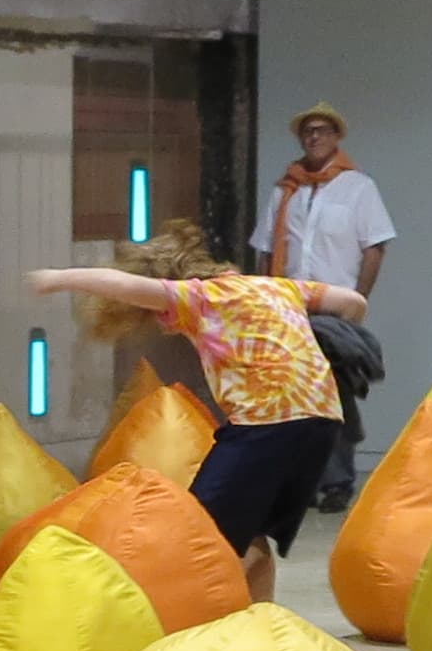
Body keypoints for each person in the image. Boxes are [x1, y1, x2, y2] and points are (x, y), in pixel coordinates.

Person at [33, 222, 360, 604]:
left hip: (266, 422)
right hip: (322, 419)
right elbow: (353, 301)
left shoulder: (201, 296)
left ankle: (201, 619)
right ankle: (259, 619)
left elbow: (123, 285)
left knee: (202, 530)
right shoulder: (278, 287)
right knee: (250, 532)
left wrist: (57, 278)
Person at [255, 105, 391, 300]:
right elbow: (266, 249)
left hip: (336, 300)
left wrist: (359, 299)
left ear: (336, 137)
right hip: (289, 301)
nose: (315, 137)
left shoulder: (359, 187)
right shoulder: (285, 189)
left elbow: (374, 247)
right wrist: (265, 300)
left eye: (323, 130)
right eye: (308, 131)